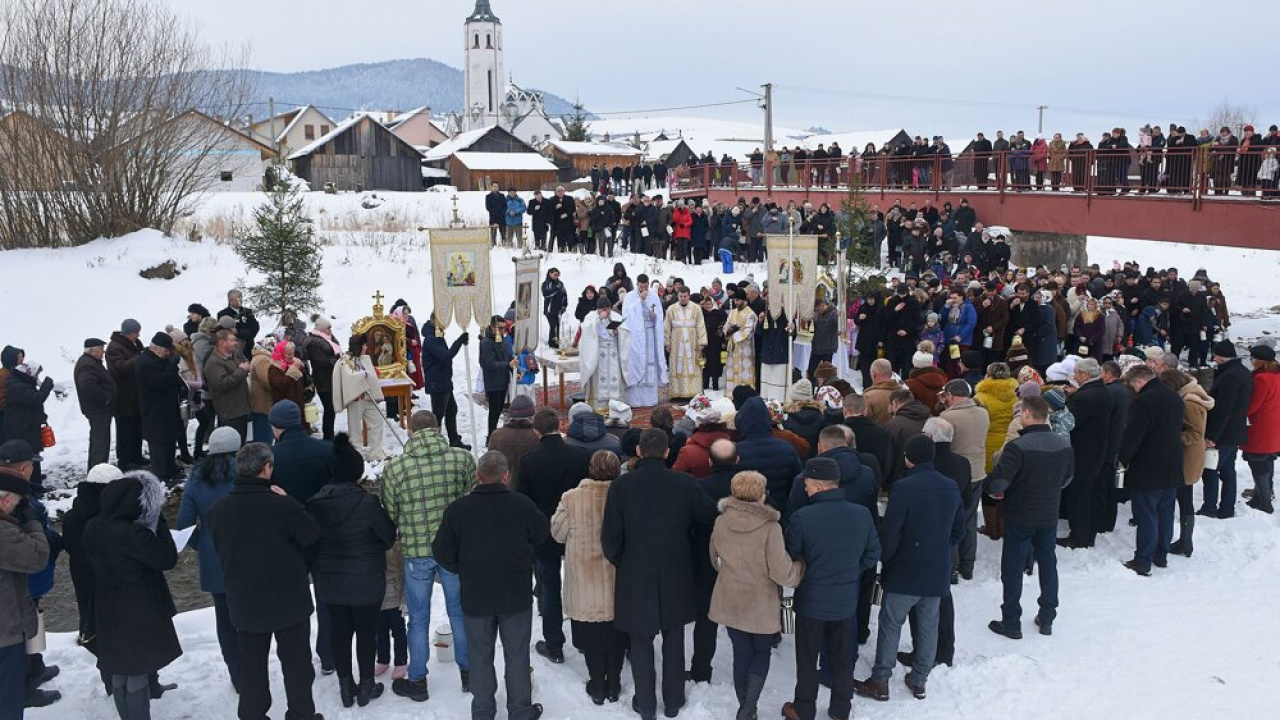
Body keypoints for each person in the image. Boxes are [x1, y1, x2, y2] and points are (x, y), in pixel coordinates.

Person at [601, 429, 715, 720]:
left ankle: (647, 704)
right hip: (676, 570)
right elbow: (708, 517)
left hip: (635, 572)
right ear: (667, 453)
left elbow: (610, 537)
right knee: (674, 637)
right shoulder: (684, 483)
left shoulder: (622, 486)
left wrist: (624, 563)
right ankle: (673, 701)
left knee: (640, 641)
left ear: (639, 451)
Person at [433, 451, 548, 720]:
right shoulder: (522, 505)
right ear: (506, 476)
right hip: (515, 595)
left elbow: (441, 551)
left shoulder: (459, 509)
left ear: (477, 475)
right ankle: (520, 711)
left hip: (476, 596)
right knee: (517, 655)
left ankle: (483, 712)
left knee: (480, 656)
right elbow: (542, 534)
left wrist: (462, 568)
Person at [211, 442, 321, 720]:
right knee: (297, 667)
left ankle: (252, 715)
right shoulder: (281, 506)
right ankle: (301, 715)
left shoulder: (219, 511)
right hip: (289, 602)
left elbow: (219, 547)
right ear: (267, 468)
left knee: (252, 669)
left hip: (245, 602)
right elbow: (310, 535)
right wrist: (289, 500)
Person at [854, 437, 963, 702]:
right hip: (936, 569)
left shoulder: (904, 488)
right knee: (928, 626)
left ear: (909, 457)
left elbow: (891, 531)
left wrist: (887, 560)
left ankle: (881, 680)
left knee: (891, 624)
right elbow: (958, 530)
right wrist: (940, 548)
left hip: (905, 568)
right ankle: (919, 680)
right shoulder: (950, 486)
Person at [380, 410, 474, 701]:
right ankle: (469, 674)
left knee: (418, 619)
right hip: (454, 550)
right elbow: (470, 499)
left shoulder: (396, 469)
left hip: (416, 552)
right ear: (438, 428)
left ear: (410, 432)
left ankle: (418, 681)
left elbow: (390, 513)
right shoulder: (461, 459)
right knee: (459, 613)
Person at [781, 457, 881, 720]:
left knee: (806, 658)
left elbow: (790, 555)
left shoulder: (802, 518)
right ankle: (841, 708)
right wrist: (851, 571)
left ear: (821, 486)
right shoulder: (861, 514)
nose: (805, 489)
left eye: (808, 485)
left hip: (810, 603)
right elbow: (873, 554)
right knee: (841, 657)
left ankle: (803, 708)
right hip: (846, 601)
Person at [83, 469, 181, 720]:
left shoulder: (93, 526)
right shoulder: (132, 534)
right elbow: (167, 558)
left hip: (106, 606)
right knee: (137, 670)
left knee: (119, 670)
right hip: (136, 608)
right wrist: (158, 523)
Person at [306, 434, 396, 707]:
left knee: (339, 632)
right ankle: (367, 683)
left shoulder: (314, 504)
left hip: (330, 582)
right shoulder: (368, 503)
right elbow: (388, 537)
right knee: (366, 632)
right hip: (366, 581)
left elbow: (309, 543)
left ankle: (346, 685)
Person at [710, 470, 805, 720]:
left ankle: (747, 709)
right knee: (761, 652)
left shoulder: (721, 521)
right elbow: (781, 571)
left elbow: (715, 558)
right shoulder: (770, 527)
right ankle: (747, 708)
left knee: (741, 651)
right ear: (761, 495)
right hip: (761, 601)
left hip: (730, 597)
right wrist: (799, 569)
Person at [984, 396, 1073, 638]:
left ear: (1025, 414)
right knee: (1048, 562)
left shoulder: (1018, 447)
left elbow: (999, 482)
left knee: (1012, 567)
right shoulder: (1062, 444)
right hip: (1048, 514)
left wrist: (998, 491)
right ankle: (1047, 617)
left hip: (1019, 515)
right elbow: (1067, 479)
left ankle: (1011, 621)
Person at [515, 409, 592, 664]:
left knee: (549, 588)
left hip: (544, 531)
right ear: (560, 425)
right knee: (580, 583)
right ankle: (583, 638)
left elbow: (524, 501)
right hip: (575, 530)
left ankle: (554, 644)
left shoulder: (529, 461)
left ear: (536, 431)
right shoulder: (580, 456)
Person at [550, 451, 627, 705]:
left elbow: (558, 533)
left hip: (584, 578)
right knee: (616, 634)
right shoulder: (624, 496)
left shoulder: (571, 498)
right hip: (618, 577)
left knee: (591, 636)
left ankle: (597, 685)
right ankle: (614, 683)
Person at [175, 427, 243, 691]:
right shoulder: (245, 472)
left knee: (224, 617)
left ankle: (235, 671)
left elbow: (183, 526)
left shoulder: (196, 478)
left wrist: (202, 544)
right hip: (248, 555)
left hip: (213, 557)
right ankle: (252, 666)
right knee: (249, 613)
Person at [1118, 365, 1185, 576]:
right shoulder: (1174, 397)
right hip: (1172, 464)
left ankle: (1142, 560)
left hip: (1148, 466)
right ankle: (1161, 554)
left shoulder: (1144, 401)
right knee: (1165, 512)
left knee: (1146, 514)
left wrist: (1123, 458)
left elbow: (1134, 436)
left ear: (1139, 382)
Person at [0, 441, 50, 720]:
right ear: (7, 500)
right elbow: (37, 556)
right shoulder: (3, 533)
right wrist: (32, 524)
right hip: (4, 633)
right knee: (8, 700)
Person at [1058, 359, 1113, 549]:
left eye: (1076, 373)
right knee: (1087, 496)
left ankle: (1079, 536)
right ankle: (1086, 532)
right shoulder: (1101, 391)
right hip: (1095, 451)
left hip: (1083, 454)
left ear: (1086, 375)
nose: (1073, 376)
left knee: (1079, 498)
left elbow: (1068, 421)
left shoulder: (1086, 397)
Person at [937, 380, 989, 579]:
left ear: (950, 396)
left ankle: (952, 566)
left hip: (956, 475)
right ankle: (968, 566)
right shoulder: (983, 412)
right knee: (969, 519)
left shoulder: (948, 417)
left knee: (952, 522)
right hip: (977, 472)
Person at [1158, 369, 1214, 557]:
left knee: (1184, 498)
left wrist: (1171, 435)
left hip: (1187, 456)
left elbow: (1195, 433)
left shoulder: (1189, 403)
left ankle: (1185, 541)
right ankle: (1185, 540)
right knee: (1185, 498)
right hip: (1188, 454)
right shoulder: (1192, 394)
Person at [1200, 341, 1253, 518]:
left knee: (1210, 469)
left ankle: (1210, 507)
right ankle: (1227, 507)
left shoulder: (1229, 377)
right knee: (1228, 469)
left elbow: (1224, 410)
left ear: (1222, 356)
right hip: (1236, 430)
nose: (1213, 359)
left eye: (1215, 355)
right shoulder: (1243, 372)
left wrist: (1212, 436)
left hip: (1223, 432)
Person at [736, 396, 804, 515]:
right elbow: (797, 482)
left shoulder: (736, 451)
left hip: (745, 513)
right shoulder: (787, 448)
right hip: (778, 512)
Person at [136, 332, 183, 482]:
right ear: (156, 348)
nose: (168, 353)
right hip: (154, 410)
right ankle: (160, 475)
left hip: (167, 408)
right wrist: (172, 364)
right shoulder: (145, 362)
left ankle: (171, 469)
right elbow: (161, 381)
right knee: (158, 444)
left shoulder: (159, 359)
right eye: (166, 350)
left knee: (169, 440)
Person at [333, 335, 386, 462]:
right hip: (355, 399)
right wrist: (360, 375)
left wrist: (370, 374)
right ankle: (357, 454)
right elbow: (348, 377)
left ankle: (376, 452)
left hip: (367, 397)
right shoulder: (345, 361)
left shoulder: (364, 359)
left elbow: (371, 374)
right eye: (364, 345)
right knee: (355, 428)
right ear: (359, 346)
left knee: (377, 421)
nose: (366, 347)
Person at [421, 314, 470, 449]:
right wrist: (459, 341)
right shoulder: (431, 339)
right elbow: (445, 356)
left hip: (444, 380)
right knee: (437, 416)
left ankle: (454, 440)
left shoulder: (437, 335)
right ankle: (434, 444)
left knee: (451, 410)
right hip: (437, 382)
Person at [621, 274, 668, 407]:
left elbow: (659, 314)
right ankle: (634, 400)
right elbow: (626, 315)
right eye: (641, 287)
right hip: (636, 337)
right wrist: (640, 301)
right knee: (636, 362)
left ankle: (649, 399)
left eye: (646, 286)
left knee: (649, 363)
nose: (644, 289)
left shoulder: (653, 296)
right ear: (637, 285)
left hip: (649, 335)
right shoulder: (630, 296)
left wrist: (655, 317)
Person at [1242, 345, 1279, 513]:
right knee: (1267, 460)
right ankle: (1262, 495)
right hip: (1273, 425)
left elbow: (1253, 406)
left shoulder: (1261, 379)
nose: (1251, 361)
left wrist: (1239, 410)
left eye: (1253, 358)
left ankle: (1264, 501)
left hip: (1261, 427)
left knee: (1257, 463)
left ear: (1260, 361)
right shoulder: (1276, 375)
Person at [106, 321, 145, 469]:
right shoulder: (114, 347)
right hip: (123, 396)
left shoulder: (133, 344)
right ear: (129, 332)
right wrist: (138, 359)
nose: (138, 335)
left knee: (137, 427)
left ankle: (136, 455)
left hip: (135, 395)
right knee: (125, 430)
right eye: (136, 332)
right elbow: (119, 368)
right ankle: (125, 460)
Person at [75, 338, 116, 472]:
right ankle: (97, 471)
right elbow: (87, 384)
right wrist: (105, 397)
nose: (103, 352)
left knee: (100, 440)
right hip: (98, 409)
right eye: (100, 349)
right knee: (100, 442)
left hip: (99, 409)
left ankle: (98, 468)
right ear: (92, 351)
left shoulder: (90, 362)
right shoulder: (87, 364)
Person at [203, 329, 252, 442]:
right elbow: (222, 384)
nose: (236, 343)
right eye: (232, 340)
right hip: (230, 412)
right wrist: (241, 370)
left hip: (240, 408)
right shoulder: (214, 362)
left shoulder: (230, 356)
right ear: (222, 342)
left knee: (242, 443)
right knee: (233, 446)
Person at [579, 297, 625, 410]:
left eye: (608, 309)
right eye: (603, 309)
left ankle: (615, 406)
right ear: (598, 309)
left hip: (613, 354)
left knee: (614, 378)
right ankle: (599, 406)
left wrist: (617, 333)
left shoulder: (616, 317)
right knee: (600, 379)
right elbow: (586, 331)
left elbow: (625, 334)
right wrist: (599, 319)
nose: (606, 311)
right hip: (599, 355)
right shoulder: (591, 318)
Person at [302, 317, 342, 440]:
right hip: (323, 379)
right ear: (322, 329)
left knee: (331, 408)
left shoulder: (329, 339)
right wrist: (337, 360)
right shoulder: (314, 343)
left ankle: (329, 434)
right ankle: (328, 436)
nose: (330, 330)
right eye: (328, 328)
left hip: (331, 377)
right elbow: (320, 361)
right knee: (329, 407)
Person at [665, 287, 708, 400]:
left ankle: (693, 392)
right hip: (676, 344)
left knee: (692, 367)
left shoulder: (696, 308)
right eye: (680, 296)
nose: (683, 299)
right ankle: (676, 393)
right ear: (678, 296)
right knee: (676, 366)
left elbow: (701, 325)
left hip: (692, 343)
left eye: (685, 296)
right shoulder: (671, 309)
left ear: (689, 296)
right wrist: (667, 343)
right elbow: (667, 327)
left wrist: (702, 342)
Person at [486, 395, 539, 482]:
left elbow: (491, 465)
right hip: (532, 486)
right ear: (532, 415)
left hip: (505, 487)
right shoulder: (538, 435)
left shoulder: (497, 435)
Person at [479, 315, 515, 437]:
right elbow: (490, 363)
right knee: (494, 412)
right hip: (493, 382)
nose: (502, 331)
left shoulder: (502, 339)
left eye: (504, 328)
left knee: (499, 409)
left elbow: (507, 356)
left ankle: (493, 434)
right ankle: (491, 436)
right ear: (492, 327)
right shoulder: (486, 343)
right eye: (499, 328)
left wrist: (514, 366)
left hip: (503, 380)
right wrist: (507, 364)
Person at [723, 286, 758, 394]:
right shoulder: (733, 312)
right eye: (734, 300)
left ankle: (745, 394)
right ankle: (731, 393)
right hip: (733, 349)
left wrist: (733, 334)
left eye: (738, 300)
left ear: (744, 300)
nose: (736, 302)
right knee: (732, 371)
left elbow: (748, 332)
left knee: (744, 372)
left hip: (745, 349)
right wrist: (728, 331)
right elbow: (726, 325)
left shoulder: (750, 314)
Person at [542, 268, 568, 349]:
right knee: (553, 326)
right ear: (550, 274)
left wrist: (564, 305)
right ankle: (552, 345)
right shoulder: (546, 283)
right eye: (555, 275)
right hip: (549, 309)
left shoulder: (560, 283)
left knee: (557, 326)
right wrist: (556, 288)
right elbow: (546, 294)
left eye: (557, 274)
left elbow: (564, 295)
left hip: (558, 309)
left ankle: (556, 344)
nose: (556, 276)